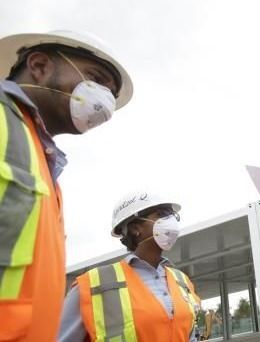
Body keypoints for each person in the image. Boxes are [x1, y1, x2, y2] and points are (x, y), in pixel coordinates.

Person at [0, 30, 133, 341]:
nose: (105, 102)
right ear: (40, 65)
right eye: (96, 79)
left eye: (110, 95)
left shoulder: (40, 160)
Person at [59, 192, 201, 341]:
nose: (170, 221)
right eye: (162, 214)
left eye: (172, 216)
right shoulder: (92, 285)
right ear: (135, 228)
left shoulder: (182, 281)